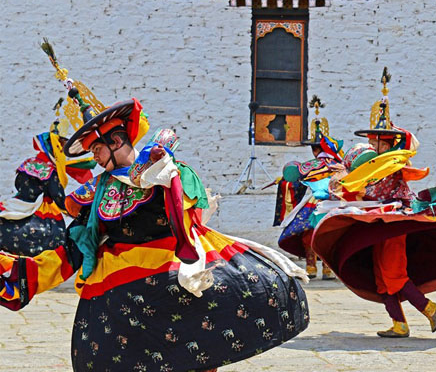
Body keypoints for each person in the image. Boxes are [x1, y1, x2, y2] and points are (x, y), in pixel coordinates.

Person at [0, 97, 309, 371]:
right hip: (122, 291)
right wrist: (24, 273)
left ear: (117, 142)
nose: (94, 158)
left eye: (97, 149)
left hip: (173, 274)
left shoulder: (165, 171)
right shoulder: (94, 193)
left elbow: (189, 209)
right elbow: (77, 246)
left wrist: (164, 172)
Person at [310, 69, 436, 338]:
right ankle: (399, 323)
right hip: (376, 223)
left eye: (378, 141)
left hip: (395, 223)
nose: (374, 145)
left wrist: (355, 186)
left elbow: (384, 178)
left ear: (388, 144)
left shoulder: (395, 164)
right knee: (380, 276)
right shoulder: (373, 164)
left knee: (393, 272)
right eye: (373, 141)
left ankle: (429, 308)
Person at [275, 96, 342, 280]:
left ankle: (311, 267)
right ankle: (328, 269)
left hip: (315, 203)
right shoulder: (340, 165)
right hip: (336, 202)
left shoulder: (310, 165)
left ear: (315, 150)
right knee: (330, 235)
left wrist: (283, 181)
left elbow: (295, 179)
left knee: (309, 234)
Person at [0, 128, 94, 256]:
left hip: (18, 202)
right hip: (40, 208)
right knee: (54, 237)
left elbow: (18, 183)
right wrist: (79, 212)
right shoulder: (50, 172)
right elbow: (59, 197)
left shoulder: (28, 163)